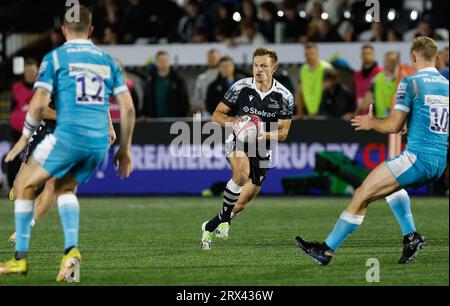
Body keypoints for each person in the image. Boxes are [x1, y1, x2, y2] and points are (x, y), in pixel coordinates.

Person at [0, 5, 135, 280]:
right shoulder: (106, 60)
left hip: (68, 134)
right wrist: (124, 147)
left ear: (63, 31)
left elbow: (37, 105)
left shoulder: (56, 58)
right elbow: (128, 108)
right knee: (64, 189)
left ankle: (20, 260)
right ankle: (71, 251)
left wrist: (22, 138)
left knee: (25, 185)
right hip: (96, 141)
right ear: (91, 30)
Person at [295, 37, 449, 266]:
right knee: (390, 188)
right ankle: (411, 236)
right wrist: (414, 126)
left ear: (413, 57)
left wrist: (371, 123)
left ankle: (326, 250)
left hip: (416, 159)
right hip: (439, 161)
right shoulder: (446, 84)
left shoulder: (411, 82)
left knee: (362, 193)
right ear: (436, 58)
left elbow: (392, 126)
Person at [200, 48, 294, 250]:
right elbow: (217, 115)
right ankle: (223, 221)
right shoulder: (240, 87)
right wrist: (233, 122)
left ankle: (211, 225)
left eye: (263, 66)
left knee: (241, 204)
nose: (258, 69)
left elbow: (284, 132)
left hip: (262, 149)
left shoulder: (284, 96)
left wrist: (260, 132)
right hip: (237, 140)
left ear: (274, 68)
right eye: (255, 65)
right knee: (242, 174)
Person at [6, 58, 39, 190]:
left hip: (37, 132)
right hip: (18, 133)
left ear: (37, 71)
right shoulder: (16, 88)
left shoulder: (43, 89)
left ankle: (37, 188)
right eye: (27, 71)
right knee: (13, 160)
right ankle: (10, 186)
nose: (30, 74)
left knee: (36, 161)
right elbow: (12, 109)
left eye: (32, 71)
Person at [348, 51, 400, 119]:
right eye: (388, 60)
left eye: (393, 61)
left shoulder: (401, 78)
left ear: (397, 63)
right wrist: (354, 114)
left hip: (397, 120)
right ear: (384, 62)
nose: (390, 63)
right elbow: (366, 100)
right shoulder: (376, 79)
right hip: (381, 120)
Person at [142, 51, 190, 118]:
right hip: (155, 120)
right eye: (160, 61)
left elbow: (184, 100)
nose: (162, 63)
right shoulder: (150, 81)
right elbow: (146, 99)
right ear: (156, 62)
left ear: (169, 61)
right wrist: (145, 114)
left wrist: (182, 117)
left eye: (165, 60)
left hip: (174, 120)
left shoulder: (177, 80)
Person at [296, 43, 332, 118]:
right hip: (309, 114)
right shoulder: (303, 69)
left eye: (312, 53)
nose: (309, 56)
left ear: (317, 54)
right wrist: (300, 114)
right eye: (307, 54)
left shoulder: (326, 68)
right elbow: (299, 92)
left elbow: (332, 92)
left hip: (325, 114)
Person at [353, 44, 383, 115]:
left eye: (368, 53)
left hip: (376, 115)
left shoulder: (380, 73)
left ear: (373, 55)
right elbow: (354, 94)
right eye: (364, 53)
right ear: (361, 56)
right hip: (359, 114)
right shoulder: (356, 75)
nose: (366, 55)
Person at [192, 49, 221, 115]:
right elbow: (196, 99)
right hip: (207, 114)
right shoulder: (202, 78)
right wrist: (201, 103)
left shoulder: (226, 76)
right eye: (209, 58)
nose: (211, 60)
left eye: (213, 58)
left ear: (219, 58)